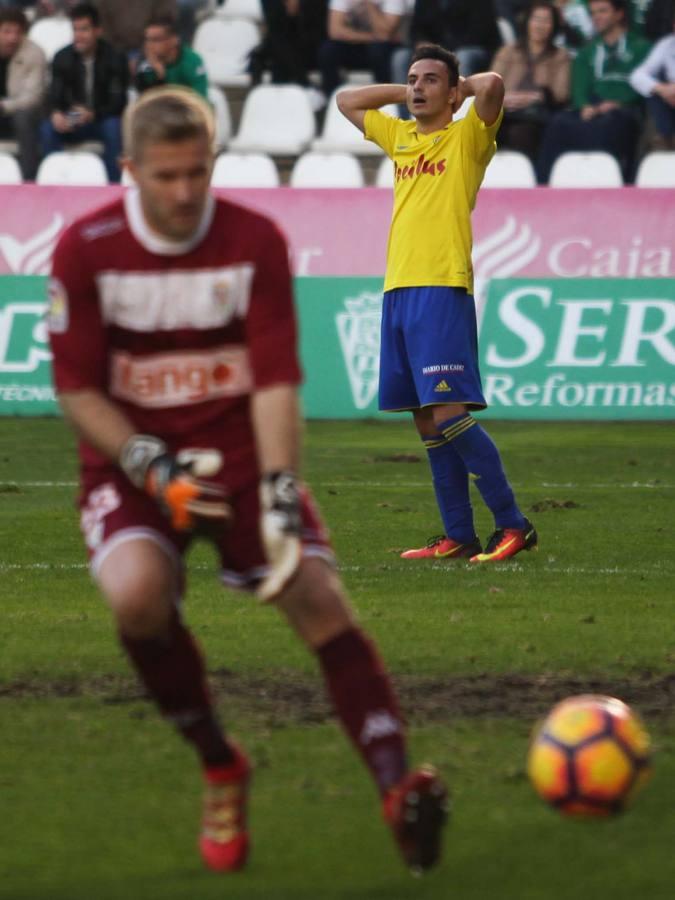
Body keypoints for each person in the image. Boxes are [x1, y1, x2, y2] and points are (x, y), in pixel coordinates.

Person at [46, 85, 448, 875]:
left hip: (237, 455)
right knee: (136, 595)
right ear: (128, 168)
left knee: (318, 597)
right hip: (134, 461)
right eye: (165, 176)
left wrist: (276, 494)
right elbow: (78, 390)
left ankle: (399, 788)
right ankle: (219, 762)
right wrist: (150, 469)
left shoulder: (254, 238)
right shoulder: (84, 248)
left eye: (197, 172)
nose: (184, 192)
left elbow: (273, 381)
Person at [337, 45, 538, 563]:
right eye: (412, 79)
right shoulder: (400, 136)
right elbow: (347, 101)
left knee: (449, 411)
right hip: (398, 289)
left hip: (442, 287)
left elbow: (492, 85)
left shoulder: (468, 137)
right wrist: (407, 93)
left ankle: (514, 525)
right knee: (426, 421)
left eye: (430, 80)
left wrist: (460, 89)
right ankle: (458, 534)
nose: (418, 87)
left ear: (451, 91)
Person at [536, 0, 651, 183]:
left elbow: (646, 85)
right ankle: (542, 187)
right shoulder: (586, 52)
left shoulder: (642, 47)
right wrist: (584, 106)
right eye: (593, 13)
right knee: (557, 123)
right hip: (594, 107)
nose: (597, 17)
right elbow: (579, 86)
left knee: (609, 125)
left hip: (626, 110)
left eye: (603, 11)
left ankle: (608, 185)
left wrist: (620, 102)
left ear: (619, 14)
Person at [40, 2, 128, 182]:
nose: (78, 36)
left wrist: (92, 114)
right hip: (73, 118)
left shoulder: (115, 57)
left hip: (100, 119)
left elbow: (119, 102)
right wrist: (57, 113)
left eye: (84, 30)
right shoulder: (62, 57)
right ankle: (54, 183)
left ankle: (113, 186)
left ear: (98, 31)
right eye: (75, 30)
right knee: (47, 129)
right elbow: (55, 95)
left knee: (113, 126)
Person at [491, 1, 570, 162]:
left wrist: (534, 97)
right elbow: (491, 86)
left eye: (546, 21)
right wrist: (506, 99)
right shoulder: (507, 52)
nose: (540, 25)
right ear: (527, 21)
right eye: (536, 19)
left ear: (553, 26)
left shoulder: (560, 56)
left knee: (521, 133)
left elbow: (562, 94)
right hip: (505, 111)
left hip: (537, 115)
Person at [318, 0, 406, 101]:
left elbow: (385, 33)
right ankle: (332, 98)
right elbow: (335, 31)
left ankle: (384, 98)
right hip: (358, 45)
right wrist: (371, 37)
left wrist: (369, 4)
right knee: (328, 49)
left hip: (386, 50)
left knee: (378, 49)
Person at [0, 6, 46, 180]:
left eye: (17, 32)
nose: (12, 38)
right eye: (6, 31)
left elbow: (33, 97)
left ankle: (29, 180)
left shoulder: (34, 53)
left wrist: (4, 106)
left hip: (21, 113)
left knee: (23, 118)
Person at [630, 9, 675, 148]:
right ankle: (666, 139)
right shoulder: (667, 44)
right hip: (670, 103)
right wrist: (663, 89)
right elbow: (636, 76)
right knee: (653, 88)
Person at [135, 15, 209, 99]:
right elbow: (145, 100)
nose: (149, 45)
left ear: (174, 40)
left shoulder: (192, 61)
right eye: (147, 39)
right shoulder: (145, 63)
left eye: (156, 39)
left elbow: (200, 99)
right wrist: (160, 76)